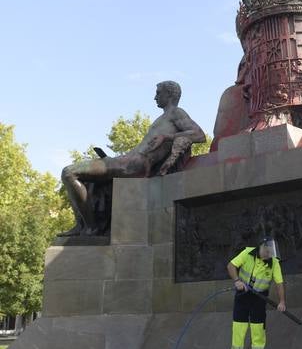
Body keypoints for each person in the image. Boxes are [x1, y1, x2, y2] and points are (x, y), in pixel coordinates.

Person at [60, 81, 206, 235]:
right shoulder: (162, 118)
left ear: (169, 94)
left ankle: (91, 227)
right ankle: (82, 225)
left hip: (134, 164)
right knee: (82, 178)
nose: (155, 97)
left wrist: (166, 136)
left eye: (158, 93)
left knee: (69, 173)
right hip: (126, 160)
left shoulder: (177, 112)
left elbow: (199, 134)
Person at [226, 237, 286, 349]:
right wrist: (237, 281)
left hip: (259, 299)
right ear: (261, 247)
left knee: (258, 333)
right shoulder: (247, 253)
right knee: (238, 331)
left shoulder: (274, 262)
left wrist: (282, 301)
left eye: (270, 252)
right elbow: (230, 266)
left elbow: (279, 283)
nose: (268, 254)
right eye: (267, 251)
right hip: (243, 296)